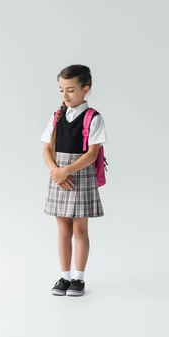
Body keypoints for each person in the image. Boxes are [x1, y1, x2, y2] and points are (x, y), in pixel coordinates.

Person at [40, 64, 107, 297]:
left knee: (79, 228)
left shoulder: (93, 118)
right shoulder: (57, 116)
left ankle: (78, 278)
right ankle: (64, 276)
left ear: (85, 89)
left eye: (70, 90)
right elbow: (47, 148)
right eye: (61, 90)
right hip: (59, 175)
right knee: (62, 229)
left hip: (80, 173)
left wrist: (66, 171)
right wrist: (56, 172)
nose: (65, 95)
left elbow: (91, 154)